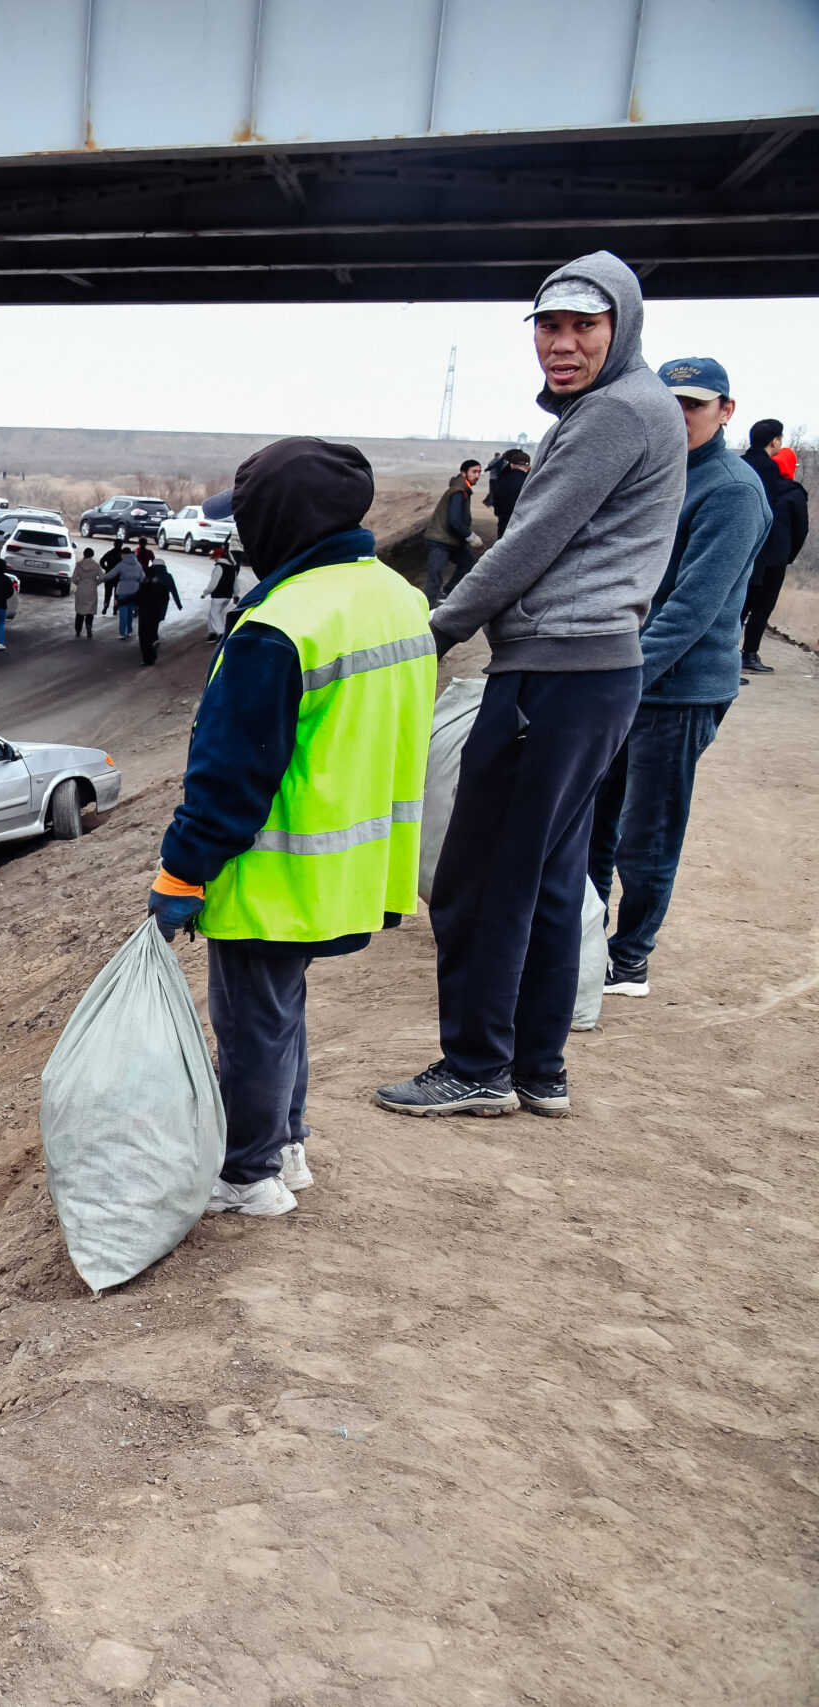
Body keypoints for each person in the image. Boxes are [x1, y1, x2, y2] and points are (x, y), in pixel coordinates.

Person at [379, 252, 685, 1119]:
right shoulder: (628, 407)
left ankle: (476, 1063)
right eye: (550, 326)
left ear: (620, 327)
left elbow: (529, 542)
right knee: (548, 876)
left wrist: (434, 630)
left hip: (555, 671)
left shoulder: (616, 413)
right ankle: (537, 1068)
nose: (562, 344)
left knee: (482, 876)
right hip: (589, 675)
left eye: (584, 326)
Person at [150, 438, 433, 1214]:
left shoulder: (279, 626)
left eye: (244, 518)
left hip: (275, 870)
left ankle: (249, 1177)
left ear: (279, 521)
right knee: (282, 1013)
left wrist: (182, 870)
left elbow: (229, 776)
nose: (237, 535)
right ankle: (288, 1142)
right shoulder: (393, 596)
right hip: (354, 864)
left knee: (250, 1027)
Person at [582, 358, 769, 998]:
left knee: (648, 832)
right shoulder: (655, 473)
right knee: (592, 822)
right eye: (670, 403)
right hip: (623, 678)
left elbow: (692, 608)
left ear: (726, 409)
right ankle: (582, 942)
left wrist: (620, 675)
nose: (680, 415)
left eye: (694, 404)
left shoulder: (731, 490)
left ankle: (629, 958)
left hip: (677, 689)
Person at [740, 419, 809, 675]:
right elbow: (801, 530)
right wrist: (788, 555)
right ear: (775, 441)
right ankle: (749, 654)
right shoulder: (792, 492)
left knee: (740, 604)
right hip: (775, 556)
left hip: (746, 551)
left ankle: (726, 655)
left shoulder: (742, 467)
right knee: (762, 606)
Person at [421, 459, 483, 604]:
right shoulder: (458, 492)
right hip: (439, 540)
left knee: (467, 563)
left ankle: (446, 593)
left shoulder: (463, 490)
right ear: (463, 473)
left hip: (449, 541)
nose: (478, 475)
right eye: (474, 471)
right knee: (435, 576)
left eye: (479, 472)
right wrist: (471, 537)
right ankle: (427, 609)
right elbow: (454, 521)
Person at [133, 547, 183, 666]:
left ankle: (153, 641)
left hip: (146, 607)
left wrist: (136, 607)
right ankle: (154, 639)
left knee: (147, 627)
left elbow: (140, 593)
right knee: (155, 621)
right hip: (162, 605)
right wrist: (178, 604)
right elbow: (173, 590)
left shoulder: (148, 577)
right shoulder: (168, 576)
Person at [487, 448, 532, 541]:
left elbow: (497, 509)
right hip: (522, 527)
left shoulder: (501, 480)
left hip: (503, 525)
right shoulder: (529, 483)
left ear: (511, 465)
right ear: (528, 466)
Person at [204, 542, 244, 641]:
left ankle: (221, 633)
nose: (214, 559)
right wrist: (236, 594)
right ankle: (212, 634)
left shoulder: (219, 567)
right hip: (228, 596)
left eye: (215, 557)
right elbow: (235, 583)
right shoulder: (232, 568)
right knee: (214, 613)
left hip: (218, 595)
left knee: (214, 614)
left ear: (218, 556)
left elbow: (213, 583)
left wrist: (206, 592)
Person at [72, 548, 103, 638]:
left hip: (81, 588)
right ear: (92, 555)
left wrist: (79, 583)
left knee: (80, 611)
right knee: (90, 610)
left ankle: (78, 631)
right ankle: (89, 625)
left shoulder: (79, 565)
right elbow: (102, 577)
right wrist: (96, 582)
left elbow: (73, 579)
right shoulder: (96, 566)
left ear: (84, 554)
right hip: (92, 589)